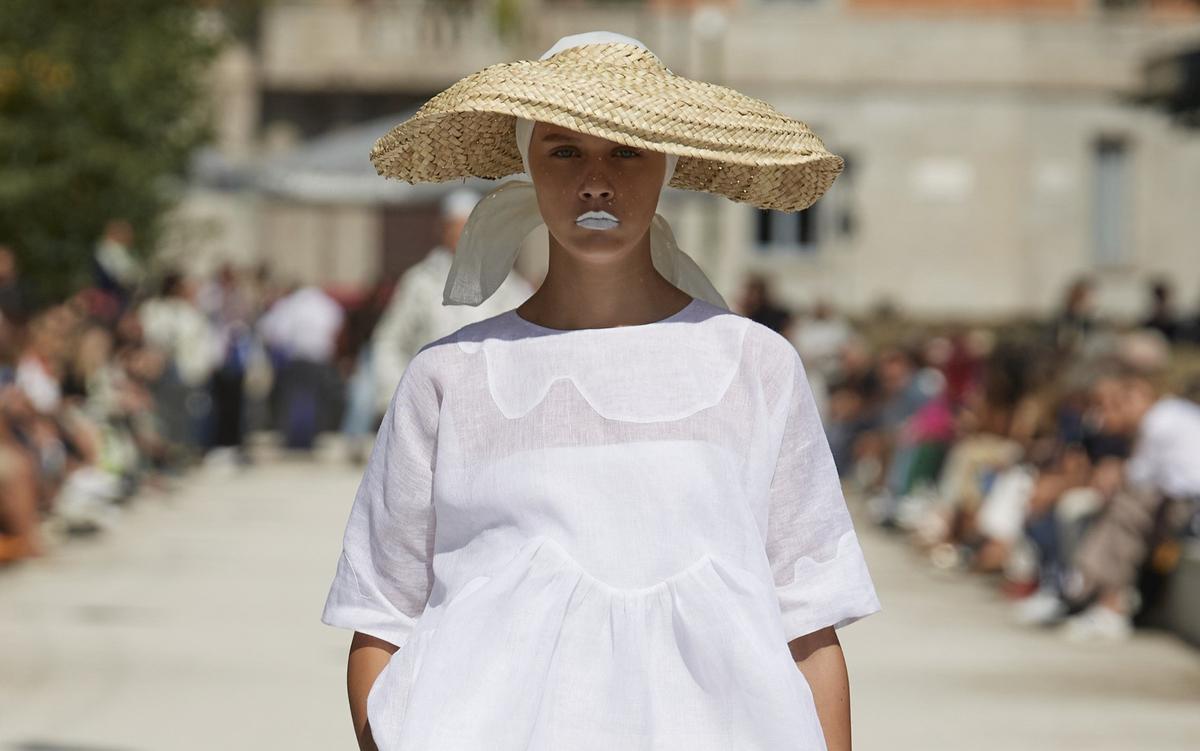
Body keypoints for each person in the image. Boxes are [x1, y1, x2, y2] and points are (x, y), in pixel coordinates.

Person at [320, 32, 882, 751]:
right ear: (528, 163)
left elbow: (810, 620)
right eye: (563, 150)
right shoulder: (450, 377)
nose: (595, 179)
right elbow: (382, 615)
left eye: (626, 150)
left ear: (666, 164)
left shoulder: (755, 365)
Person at [369, 187, 533, 420]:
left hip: (492, 410)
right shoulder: (421, 282)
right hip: (430, 407)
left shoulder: (507, 285)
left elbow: (527, 341)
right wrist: (397, 397)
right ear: (443, 230)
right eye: (457, 228)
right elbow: (389, 342)